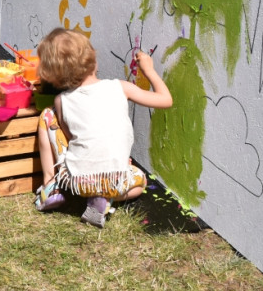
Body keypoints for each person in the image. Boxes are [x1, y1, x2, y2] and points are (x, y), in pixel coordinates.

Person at [33, 28, 173, 227]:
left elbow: (69, 135)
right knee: (139, 181)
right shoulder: (121, 87)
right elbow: (165, 99)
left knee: (47, 115)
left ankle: (50, 186)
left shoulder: (61, 100)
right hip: (115, 180)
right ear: (93, 60)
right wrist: (149, 70)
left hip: (76, 183)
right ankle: (104, 199)